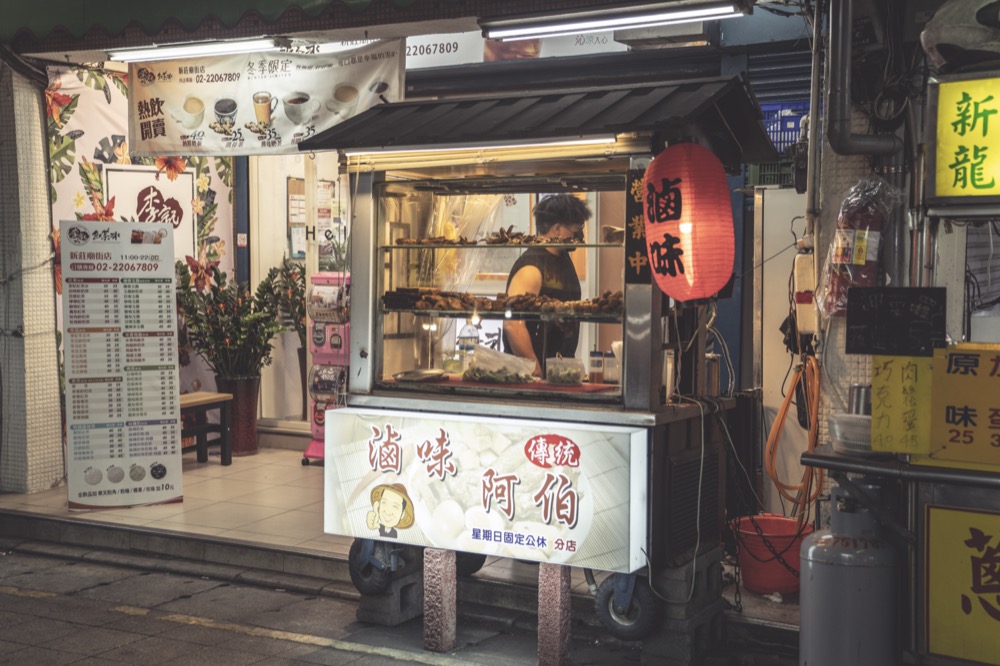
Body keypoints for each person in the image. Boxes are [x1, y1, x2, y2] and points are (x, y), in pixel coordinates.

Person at [502, 194, 590, 377]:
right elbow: (513, 325)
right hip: (531, 378)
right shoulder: (532, 266)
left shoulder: (563, 257)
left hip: (558, 373)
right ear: (557, 229)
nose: (579, 235)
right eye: (576, 229)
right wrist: (535, 371)